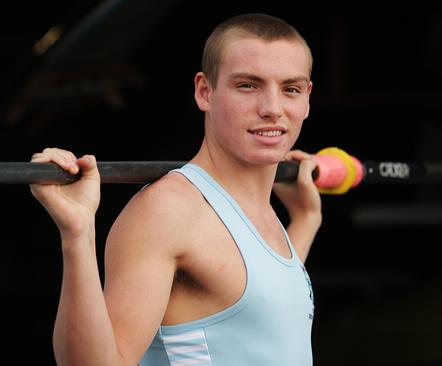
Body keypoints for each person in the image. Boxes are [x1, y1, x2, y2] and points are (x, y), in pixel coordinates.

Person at [30, 13, 321, 366]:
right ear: (205, 91)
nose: (272, 109)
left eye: (289, 89)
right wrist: (77, 234)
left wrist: (305, 220)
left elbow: (265, 313)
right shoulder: (168, 210)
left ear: (306, 99)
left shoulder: (261, 213)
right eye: (248, 85)